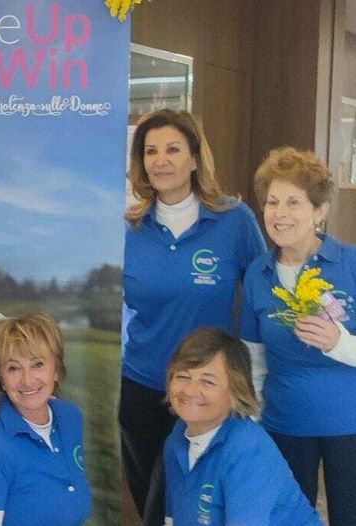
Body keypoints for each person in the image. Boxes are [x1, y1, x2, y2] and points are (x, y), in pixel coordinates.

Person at [120, 109, 266, 525]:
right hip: (143, 387)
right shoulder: (129, 228)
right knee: (152, 502)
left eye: (172, 149)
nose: (160, 160)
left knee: (206, 502)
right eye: (150, 152)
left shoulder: (234, 221)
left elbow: (263, 294)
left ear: (196, 158)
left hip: (210, 390)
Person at [241, 147, 356, 526]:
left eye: (293, 202)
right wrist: (253, 421)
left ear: (319, 211)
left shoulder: (350, 263)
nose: (279, 213)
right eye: (272, 202)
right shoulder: (258, 273)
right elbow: (254, 359)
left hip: (349, 427)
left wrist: (338, 343)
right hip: (284, 424)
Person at [163, 327, 322, 525]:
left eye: (208, 382)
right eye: (182, 377)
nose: (190, 390)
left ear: (236, 392)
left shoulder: (247, 447)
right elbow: (174, 518)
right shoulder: (177, 439)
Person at [0, 313, 92, 526]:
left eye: (37, 364)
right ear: (1, 380)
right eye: (13, 368)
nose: (28, 380)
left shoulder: (70, 417)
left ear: (56, 370)